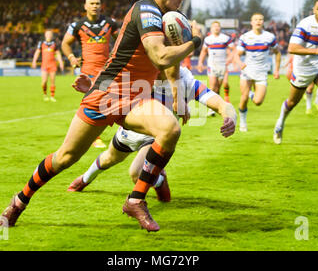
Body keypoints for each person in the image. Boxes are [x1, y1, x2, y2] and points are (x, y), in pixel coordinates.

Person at [0, 0, 225, 232]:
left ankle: (135, 200)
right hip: (107, 93)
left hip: (137, 93)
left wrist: (178, 95)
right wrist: (196, 42)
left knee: (169, 129)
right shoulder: (147, 10)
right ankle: (18, 202)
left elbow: (166, 65)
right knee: (65, 157)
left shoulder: (168, 16)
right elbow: (160, 57)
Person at [67, 66, 237, 201]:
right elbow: (110, 94)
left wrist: (229, 117)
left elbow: (222, 104)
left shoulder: (186, 82)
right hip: (130, 130)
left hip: (155, 137)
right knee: (108, 158)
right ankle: (85, 179)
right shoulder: (139, 74)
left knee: (136, 173)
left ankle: (158, 182)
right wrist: (91, 89)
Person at [273, 0, 318, 145]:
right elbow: (292, 48)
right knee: (292, 102)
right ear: (314, 10)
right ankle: (280, 122)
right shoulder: (305, 24)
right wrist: (316, 51)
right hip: (303, 68)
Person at [61, 0, 119, 148]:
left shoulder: (110, 23)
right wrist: (72, 58)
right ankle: (95, 137)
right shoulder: (77, 25)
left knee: (114, 101)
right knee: (94, 102)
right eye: (91, 3)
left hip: (107, 70)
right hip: (88, 70)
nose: (95, 6)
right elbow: (65, 44)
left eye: (97, 3)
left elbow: (121, 41)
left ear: (101, 6)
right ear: (85, 6)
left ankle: (121, 133)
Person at [232, 13, 281, 132]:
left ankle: (251, 94)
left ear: (263, 22)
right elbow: (236, 55)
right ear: (251, 22)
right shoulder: (245, 37)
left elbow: (277, 53)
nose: (258, 21)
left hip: (261, 73)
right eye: (256, 20)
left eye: (260, 20)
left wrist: (276, 70)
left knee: (258, 102)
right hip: (247, 72)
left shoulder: (269, 37)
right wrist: (240, 63)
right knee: (243, 98)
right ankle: (243, 123)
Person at [197, 21, 234, 114]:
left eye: (218, 26)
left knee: (219, 86)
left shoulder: (225, 38)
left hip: (222, 65)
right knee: (213, 86)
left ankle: (218, 103)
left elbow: (233, 50)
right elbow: (203, 51)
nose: (216, 28)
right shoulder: (208, 39)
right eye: (214, 27)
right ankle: (211, 108)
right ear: (211, 29)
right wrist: (200, 63)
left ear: (220, 28)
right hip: (212, 65)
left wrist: (230, 59)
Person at [31, 30, 64, 102]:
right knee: (44, 82)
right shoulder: (41, 43)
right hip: (44, 65)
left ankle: (52, 96)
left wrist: (61, 62)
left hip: (53, 65)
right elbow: (37, 52)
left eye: (50, 34)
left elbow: (58, 54)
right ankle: (45, 94)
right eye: (47, 34)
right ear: (45, 35)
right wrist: (34, 61)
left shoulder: (54, 43)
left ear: (52, 35)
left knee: (52, 81)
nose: (48, 35)